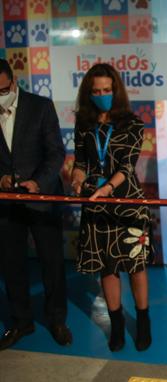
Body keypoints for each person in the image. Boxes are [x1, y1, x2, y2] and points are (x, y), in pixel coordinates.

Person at [71, 63, 152, 352]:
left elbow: (128, 166)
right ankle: (116, 325)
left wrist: (107, 188)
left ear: (115, 90)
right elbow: (80, 161)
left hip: (127, 203)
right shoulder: (84, 123)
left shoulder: (133, 123)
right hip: (95, 205)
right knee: (107, 268)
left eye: (107, 90)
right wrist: (77, 178)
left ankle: (143, 322)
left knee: (136, 266)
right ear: (88, 93)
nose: (102, 95)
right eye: (96, 92)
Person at [0, 59, 72, 350]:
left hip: (42, 198)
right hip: (6, 203)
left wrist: (38, 183)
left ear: (13, 82)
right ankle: (21, 322)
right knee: (11, 264)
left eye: (2, 88)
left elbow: (56, 152)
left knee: (51, 262)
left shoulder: (41, 107)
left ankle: (56, 320)